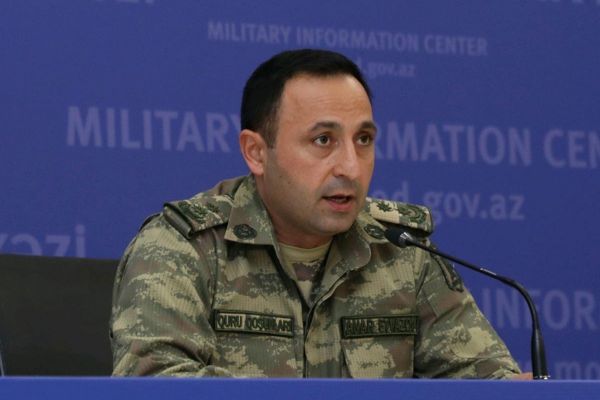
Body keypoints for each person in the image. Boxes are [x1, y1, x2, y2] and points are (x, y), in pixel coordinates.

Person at [110, 49, 522, 378]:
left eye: (364, 139)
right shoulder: (181, 248)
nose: (351, 167)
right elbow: (157, 384)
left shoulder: (403, 252)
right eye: (323, 140)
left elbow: (486, 378)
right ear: (256, 152)